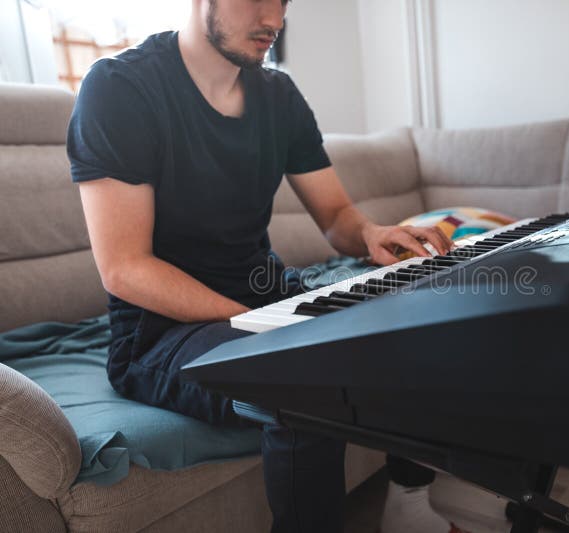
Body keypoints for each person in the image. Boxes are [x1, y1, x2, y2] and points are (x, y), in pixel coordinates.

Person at [67, 0, 467, 531]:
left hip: (264, 298)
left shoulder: (278, 94)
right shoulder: (120, 89)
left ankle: (409, 506)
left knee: (423, 310)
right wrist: (269, 327)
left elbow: (336, 216)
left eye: (283, 1)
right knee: (302, 377)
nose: (274, 19)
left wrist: (371, 233)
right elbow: (125, 269)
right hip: (161, 333)